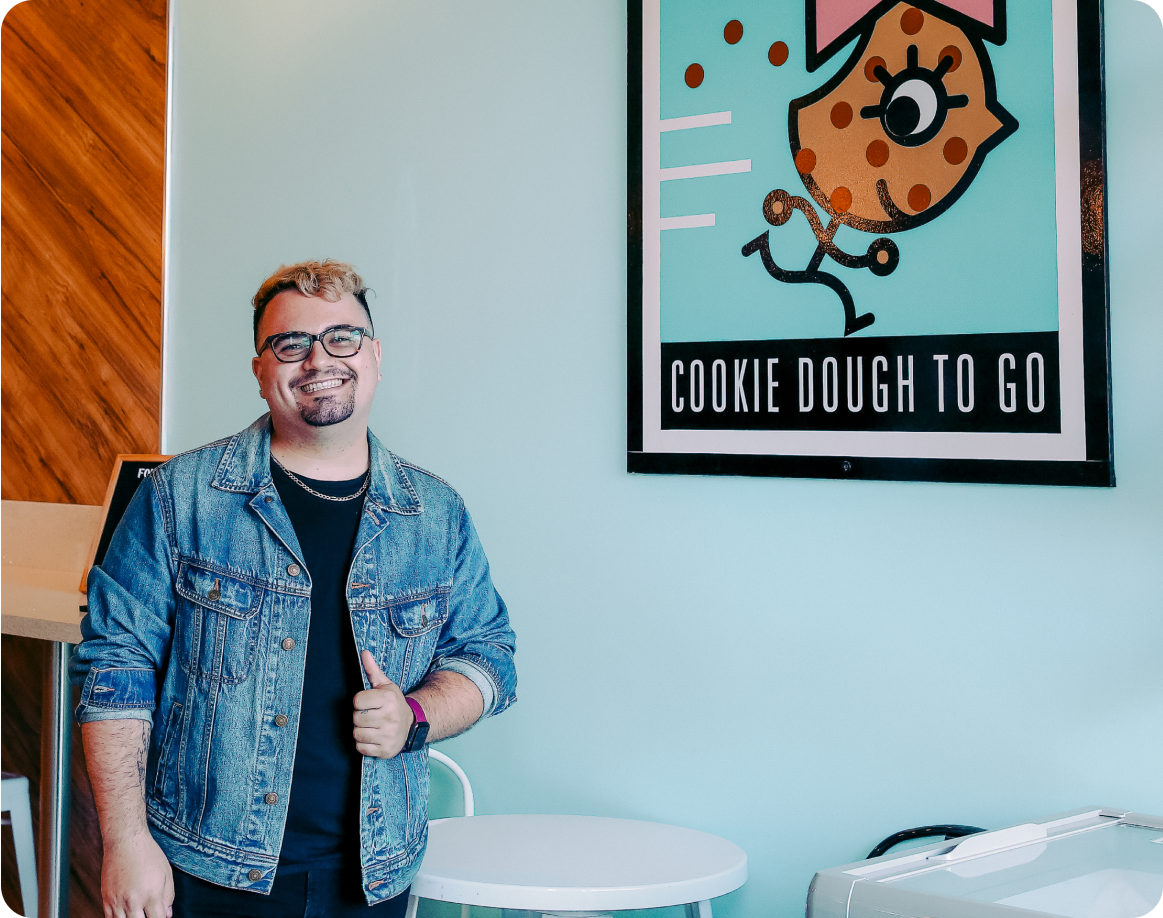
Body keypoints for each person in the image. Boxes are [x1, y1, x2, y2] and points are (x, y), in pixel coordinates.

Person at [71, 260, 517, 918]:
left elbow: (490, 656)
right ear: (260, 369)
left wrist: (414, 718)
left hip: (373, 872)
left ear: (375, 357)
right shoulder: (178, 498)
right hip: (204, 865)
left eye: (343, 337)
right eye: (291, 343)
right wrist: (125, 841)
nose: (319, 359)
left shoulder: (436, 514)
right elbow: (116, 669)